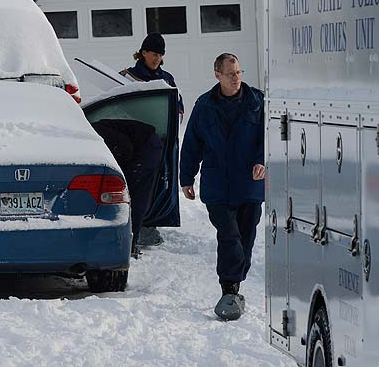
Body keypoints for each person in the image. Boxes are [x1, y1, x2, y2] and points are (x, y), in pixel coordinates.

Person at [179, 53, 265, 321]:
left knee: (246, 237)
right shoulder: (204, 105)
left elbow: (269, 134)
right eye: (230, 74)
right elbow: (192, 144)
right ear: (217, 75)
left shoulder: (257, 102)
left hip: (249, 184)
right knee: (230, 237)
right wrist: (186, 178)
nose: (236, 78)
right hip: (218, 185)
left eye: (239, 72)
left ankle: (234, 284)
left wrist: (262, 160)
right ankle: (228, 288)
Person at [120, 32, 184, 247]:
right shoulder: (126, 76)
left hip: (163, 142)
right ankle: (134, 227)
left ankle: (151, 224)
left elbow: (179, 107)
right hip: (136, 144)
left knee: (160, 185)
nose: (157, 58)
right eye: (153, 53)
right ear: (143, 53)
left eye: (160, 55)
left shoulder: (167, 79)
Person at [90, 119, 163, 258]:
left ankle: (131, 243)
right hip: (142, 145)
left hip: (146, 146)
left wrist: (119, 172)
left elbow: (125, 148)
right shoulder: (92, 133)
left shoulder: (95, 133)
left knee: (135, 197)